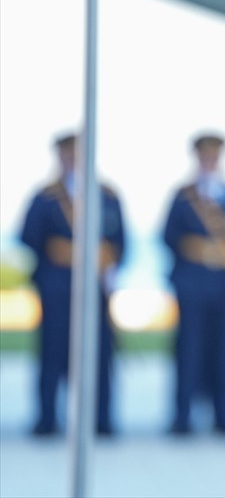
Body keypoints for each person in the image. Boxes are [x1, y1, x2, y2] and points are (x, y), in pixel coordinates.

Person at [19, 132, 125, 436]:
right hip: (57, 288)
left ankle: (101, 420)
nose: (73, 160)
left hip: (94, 288)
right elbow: (29, 237)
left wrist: (109, 266)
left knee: (100, 356)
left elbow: (119, 241)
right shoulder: (45, 197)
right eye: (68, 155)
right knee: (52, 355)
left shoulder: (106, 196)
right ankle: (47, 419)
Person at [162, 132, 225, 435]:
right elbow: (169, 238)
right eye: (205, 156)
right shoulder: (183, 196)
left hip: (223, 287)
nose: (209, 162)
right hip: (192, 284)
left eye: (214, 156)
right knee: (188, 353)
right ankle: (182, 418)